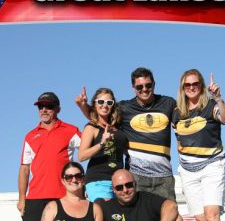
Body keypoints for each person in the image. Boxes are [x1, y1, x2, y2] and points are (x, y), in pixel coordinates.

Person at [76, 67, 177, 200]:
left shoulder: (168, 103)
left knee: (170, 210)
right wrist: (83, 105)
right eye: (139, 86)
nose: (144, 89)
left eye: (148, 85)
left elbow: (185, 121)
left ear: (154, 84)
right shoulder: (124, 108)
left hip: (151, 177)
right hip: (125, 178)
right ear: (133, 88)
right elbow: (99, 115)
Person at [173, 70, 225, 221]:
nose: (191, 87)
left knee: (211, 213)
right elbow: (178, 138)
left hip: (212, 164)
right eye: (187, 85)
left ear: (201, 85)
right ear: (182, 88)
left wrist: (218, 97)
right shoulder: (177, 112)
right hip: (187, 169)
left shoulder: (210, 106)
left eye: (195, 84)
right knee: (200, 219)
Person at [18, 92, 81, 221]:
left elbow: (87, 147)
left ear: (58, 109)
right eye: (41, 106)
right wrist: (22, 198)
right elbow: (24, 169)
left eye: (49, 106)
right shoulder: (30, 136)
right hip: (35, 197)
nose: (44, 110)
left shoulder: (71, 130)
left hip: (63, 196)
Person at [77, 87, 128, 200]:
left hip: (119, 182)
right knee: (103, 211)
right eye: (101, 102)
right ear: (94, 104)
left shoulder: (118, 127)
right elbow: (81, 156)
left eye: (109, 102)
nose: (104, 105)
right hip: (99, 181)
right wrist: (102, 143)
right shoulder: (91, 127)